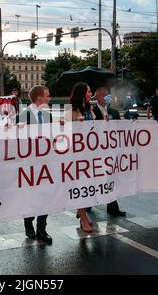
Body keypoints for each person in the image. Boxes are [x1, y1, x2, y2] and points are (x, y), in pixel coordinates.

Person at [16, 85, 53, 244]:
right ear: (39, 98)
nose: (49, 98)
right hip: (29, 164)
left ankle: (42, 229)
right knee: (31, 196)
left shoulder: (48, 115)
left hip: (46, 163)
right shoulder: (23, 116)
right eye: (47, 96)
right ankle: (28, 222)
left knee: (45, 195)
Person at [65, 82, 95, 233]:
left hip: (91, 153)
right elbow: (65, 130)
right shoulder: (71, 110)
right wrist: (77, 124)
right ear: (82, 93)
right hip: (77, 154)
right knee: (81, 185)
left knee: (90, 185)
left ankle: (81, 210)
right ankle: (83, 217)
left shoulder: (90, 108)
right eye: (89, 91)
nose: (91, 93)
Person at [92, 87, 127, 217]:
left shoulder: (114, 112)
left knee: (111, 178)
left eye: (107, 95)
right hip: (96, 151)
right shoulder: (92, 111)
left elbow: (121, 129)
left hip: (111, 151)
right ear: (97, 97)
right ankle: (88, 203)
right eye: (102, 95)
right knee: (94, 179)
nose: (106, 97)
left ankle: (112, 207)